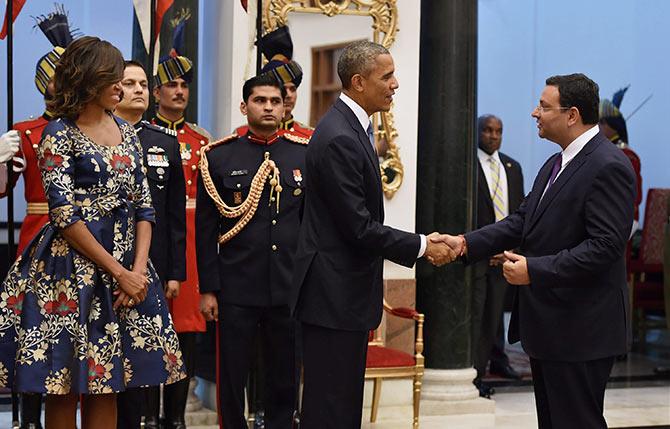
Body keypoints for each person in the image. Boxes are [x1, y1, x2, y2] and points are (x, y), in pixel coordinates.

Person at [0, 36, 186, 429]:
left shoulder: (129, 133)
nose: (122, 87)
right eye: (113, 79)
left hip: (129, 269)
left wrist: (137, 271)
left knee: (110, 382)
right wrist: (120, 273)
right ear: (88, 79)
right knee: (64, 384)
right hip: (68, 272)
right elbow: (64, 215)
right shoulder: (57, 133)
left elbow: (145, 207)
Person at [435, 73, 635, 428]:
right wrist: (466, 243)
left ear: (571, 115)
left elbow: (605, 247)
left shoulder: (608, 165)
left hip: (581, 329)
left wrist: (534, 270)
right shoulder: (555, 163)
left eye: (544, 106)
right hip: (552, 327)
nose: (534, 113)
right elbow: (521, 221)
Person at [290, 40, 453, 429]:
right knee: (331, 409)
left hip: (339, 295)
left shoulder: (351, 127)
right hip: (331, 296)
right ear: (359, 82)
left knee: (342, 405)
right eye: (388, 75)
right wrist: (422, 245)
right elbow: (358, 227)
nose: (396, 83)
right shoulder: (341, 137)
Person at [197, 73, 306, 429]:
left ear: (285, 105)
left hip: (287, 287)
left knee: (283, 375)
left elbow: (310, 229)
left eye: (275, 101)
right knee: (232, 375)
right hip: (237, 287)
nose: (269, 107)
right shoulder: (218, 157)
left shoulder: (303, 155)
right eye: (260, 101)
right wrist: (208, 289)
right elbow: (206, 230)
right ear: (245, 106)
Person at [0, 8, 78, 428]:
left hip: (84, 237)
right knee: (35, 337)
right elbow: (0, 189)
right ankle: (30, 419)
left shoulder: (87, 129)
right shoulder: (26, 130)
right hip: (38, 238)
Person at [114, 60, 187, 429]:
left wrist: (176, 272)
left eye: (144, 83)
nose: (140, 89)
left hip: (152, 265)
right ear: (114, 90)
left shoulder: (164, 142)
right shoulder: (98, 138)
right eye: (130, 83)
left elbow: (175, 216)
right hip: (108, 264)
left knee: (147, 356)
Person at [151, 15, 209, 426]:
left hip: (191, 246)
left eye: (184, 85)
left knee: (185, 333)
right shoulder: (141, 135)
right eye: (171, 84)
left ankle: (176, 416)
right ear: (156, 92)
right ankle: (146, 415)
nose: (179, 90)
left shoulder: (202, 140)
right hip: (151, 238)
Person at [472, 114, 524, 398]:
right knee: (480, 319)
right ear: (478, 132)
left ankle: (499, 361)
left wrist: (512, 248)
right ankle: (477, 375)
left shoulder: (512, 166)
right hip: (479, 256)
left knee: (496, 315)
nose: (493, 136)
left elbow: (519, 212)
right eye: (488, 130)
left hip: (506, 255)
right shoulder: (468, 164)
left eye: (498, 131)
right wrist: (485, 247)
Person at [235, 25, 313, 139]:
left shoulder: (310, 137)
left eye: (293, 89)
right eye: (283, 89)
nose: (289, 95)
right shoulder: (241, 135)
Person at [599, 86, 643, 229]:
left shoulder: (628, 156)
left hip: (622, 221)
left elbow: (633, 197)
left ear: (613, 126)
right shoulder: (602, 151)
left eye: (602, 123)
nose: (598, 127)